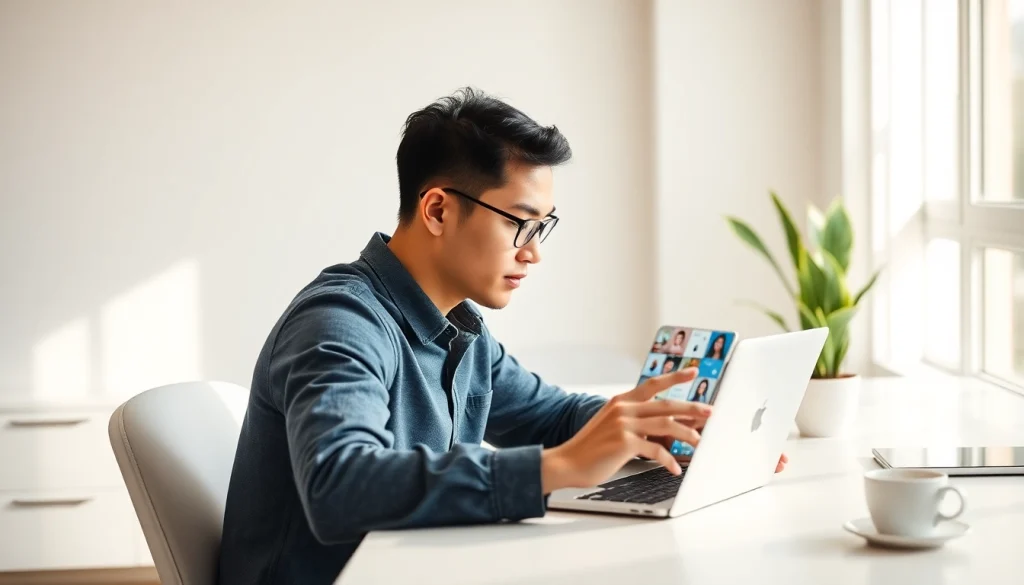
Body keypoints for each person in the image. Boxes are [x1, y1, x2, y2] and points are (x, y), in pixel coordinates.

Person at [217, 88, 786, 585]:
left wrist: (674, 430)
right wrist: (556, 468)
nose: (534, 251)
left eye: (544, 226)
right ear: (438, 209)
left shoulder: (460, 329)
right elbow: (340, 486)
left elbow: (553, 416)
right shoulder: (341, 321)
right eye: (520, 222)